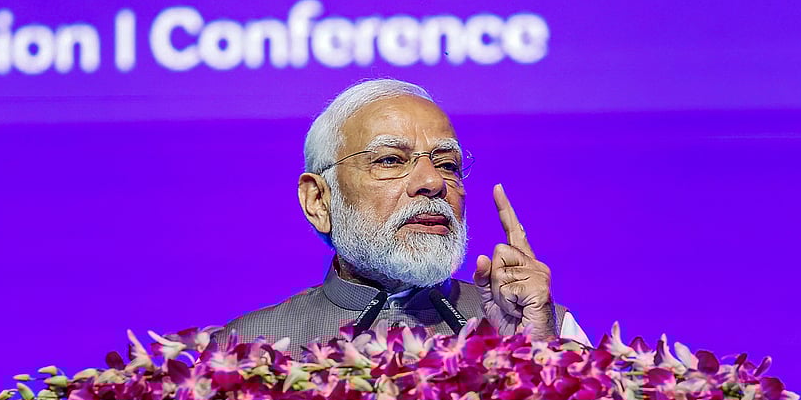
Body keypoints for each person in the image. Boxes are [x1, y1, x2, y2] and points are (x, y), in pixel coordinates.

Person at [210, 79, 589, 355]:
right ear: (319, 201)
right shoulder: (245, 348)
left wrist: (537, 352)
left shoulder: (546, 327)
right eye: (390, 160)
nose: (432, 182)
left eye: (447, 164)